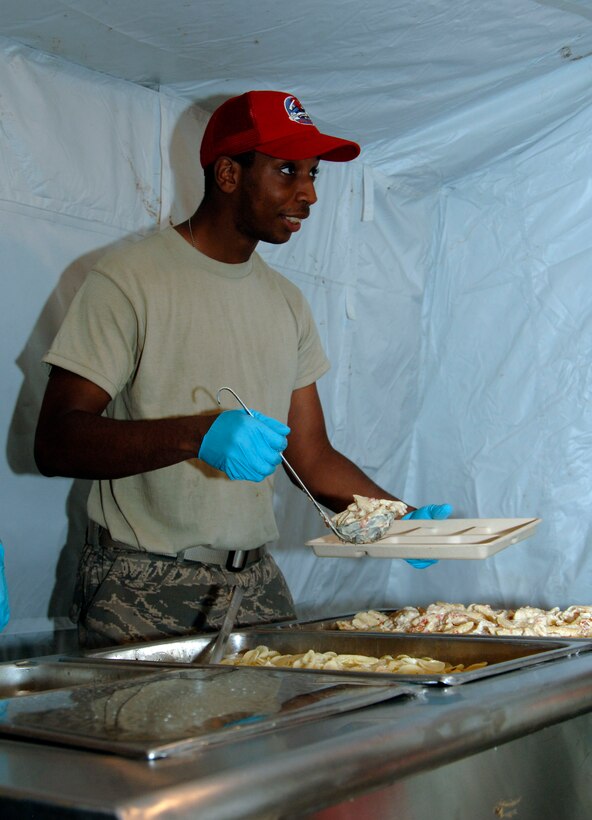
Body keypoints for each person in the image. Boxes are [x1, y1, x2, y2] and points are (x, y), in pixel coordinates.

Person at [34, 90, 451, 649]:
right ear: (229, 173)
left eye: (313, 175)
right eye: (287, 171)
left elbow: (311, 457)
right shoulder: (130, 280)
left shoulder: (287, 302)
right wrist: (197, 435)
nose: (308, 194)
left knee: (276, 734)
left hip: (253, 586)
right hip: (143, 583)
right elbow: (57, 441)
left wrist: (398, 520)